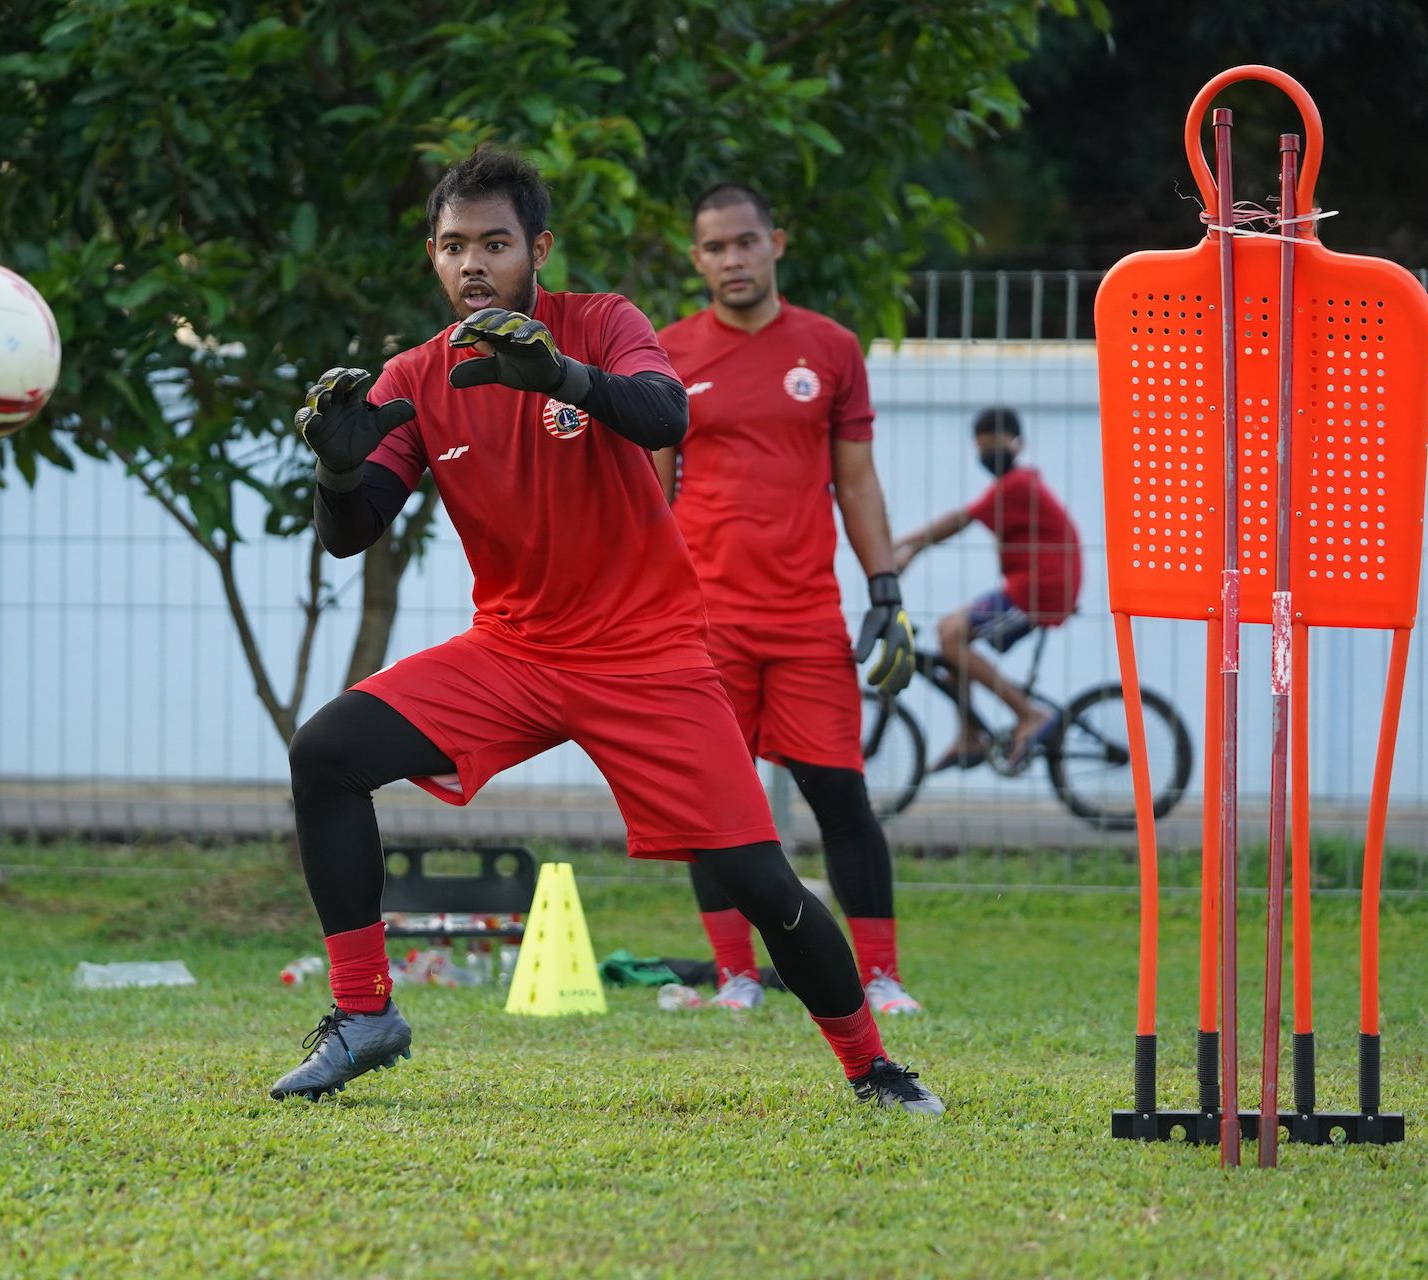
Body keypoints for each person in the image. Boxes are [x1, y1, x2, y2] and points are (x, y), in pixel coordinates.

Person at [269, 149, 941, 1115]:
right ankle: (365, 1013)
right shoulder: (415, 375)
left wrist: (562, 376)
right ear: (432, 255)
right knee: (326, 754)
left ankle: (872, 1066)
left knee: (757, 877)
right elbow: (352, 533)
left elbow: (665, 414)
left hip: (646, 653)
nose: (473, 264)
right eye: (453, 246)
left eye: (495, 244)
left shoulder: (603, 322)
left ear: (537, 248)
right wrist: (337, 473)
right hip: (512, 651)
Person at [652, 183, 921, 1018]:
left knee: (840, 795)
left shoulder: (831, 349)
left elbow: (857, 480)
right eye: (715, 248)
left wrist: (885, 590)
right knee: (711, 802)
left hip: (807, 617)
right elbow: (651, 498)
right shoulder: (668, 353)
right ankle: (735, 977)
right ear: (696, 259)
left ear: (776, 242)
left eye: (745, 242)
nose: (732, 259)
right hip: (704, 622)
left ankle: (881, 978)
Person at [890, 406, 1082, 770]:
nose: (988, 453)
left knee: (952, 637)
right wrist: (911, 549)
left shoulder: (1017, 485)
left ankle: (1028, 714)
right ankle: (969, 735)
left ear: (1018, 444)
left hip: (1042, 588)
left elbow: (960, 519)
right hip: (1033, 584)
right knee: (950, 635)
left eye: (995, 445)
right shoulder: (1015, 486)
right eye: (982, 447)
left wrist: (903, 544)